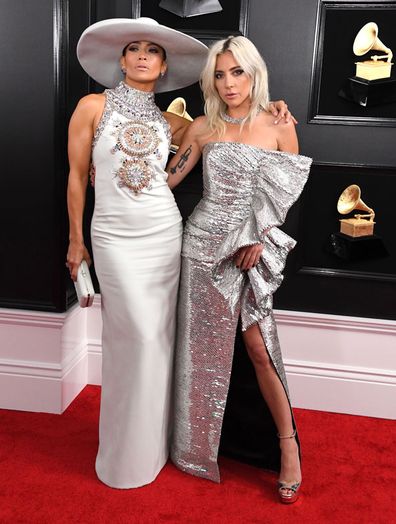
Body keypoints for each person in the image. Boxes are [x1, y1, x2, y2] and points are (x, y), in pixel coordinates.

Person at [67, 17, 291, 489]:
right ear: (122, 59)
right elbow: (114, 177)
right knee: (149, 340)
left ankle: (181, 447)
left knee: (188, 342)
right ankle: (133, 452)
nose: (143, 56)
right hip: (146, 239)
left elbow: (274, 189)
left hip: (199, 241)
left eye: (153, 50)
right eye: (134, 48)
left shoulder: (217, 122)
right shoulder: (106, 108)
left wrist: (257, 233)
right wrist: (88, 219)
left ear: (165, 65)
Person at [167, 36, 312, 504]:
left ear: (254, 74)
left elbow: (286, 194)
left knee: (258, 346)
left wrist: (257, 235)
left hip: (251, 250)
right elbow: (166, 180)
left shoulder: (278, 122)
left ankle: (287, 448)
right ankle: (194, 446)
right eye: (221, 74)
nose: (229, 83)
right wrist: (116, 162)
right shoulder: (202, 129)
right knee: (199, 348)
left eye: (238, 72)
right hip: (202, 246)